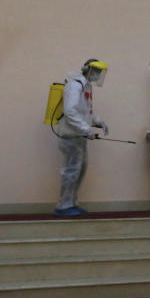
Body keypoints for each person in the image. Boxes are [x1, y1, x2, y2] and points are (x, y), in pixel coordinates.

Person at [54, 59, 109, 216]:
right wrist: (86, 129)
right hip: (70, 136)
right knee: (72, 170)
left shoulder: (86, 86)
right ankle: (63, 206)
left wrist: (99, 122)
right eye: (96, 72)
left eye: (100, 73)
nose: (98, 76)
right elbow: (70, 112)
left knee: (80, 169)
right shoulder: (75, 85)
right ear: (87, 70)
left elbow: (85, 113)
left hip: (79, 136)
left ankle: (71, 202)